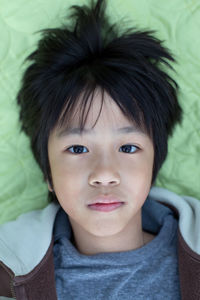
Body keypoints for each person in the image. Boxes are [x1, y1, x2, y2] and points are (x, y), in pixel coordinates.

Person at [0, 0, 199, 299]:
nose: (104, 174)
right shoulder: (9, 275)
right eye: (78, 148)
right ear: (47, 172)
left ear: (154, 161)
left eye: (128, 147)